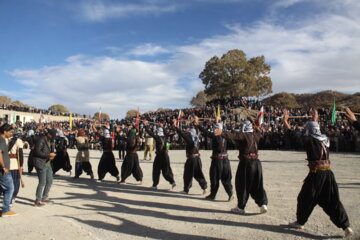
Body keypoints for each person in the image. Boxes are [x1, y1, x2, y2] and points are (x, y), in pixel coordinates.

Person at [283, 109, 353, 237]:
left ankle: (300, 222)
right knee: (333, 201)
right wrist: (314, 119)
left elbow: (293, 134)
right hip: (328, 175)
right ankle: (346, 226)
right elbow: (315, 130)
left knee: (304, 198)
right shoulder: (325, 139)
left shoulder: (309, 140)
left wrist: (285, 121)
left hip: (316, 175)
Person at [222, 119, 268, 214]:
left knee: (242, 184)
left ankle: (241, 207)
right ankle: (263, 204)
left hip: (246, 163)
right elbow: (259, 131)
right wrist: (256, 127)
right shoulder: (256, 135)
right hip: (257, 163)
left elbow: (233, 135)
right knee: (257, 184)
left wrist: (221, 133)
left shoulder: (244, 135)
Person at [194, 117, 233, 201]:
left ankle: (213, 195)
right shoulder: (226, 135)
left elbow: (205, 132)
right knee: (226, 178)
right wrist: (218, 121)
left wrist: (197, 124)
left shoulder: (215, 136)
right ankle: (230, 193)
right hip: (226, 160)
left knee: (214, 178)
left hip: (217, 160)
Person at [172, 119, 207, 195]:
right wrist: (196, 122)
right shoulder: (197, 138)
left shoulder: (190, 140)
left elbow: (181, 133)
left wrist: (175, 126)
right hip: (198, 159)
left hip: (191, 159)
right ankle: (204, 187)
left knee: (187, 174)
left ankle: (186, 190)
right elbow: (197, 130)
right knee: (198, 174)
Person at [143, 120, 176, 189]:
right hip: (166, 156)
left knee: (156, 170)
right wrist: (162, 127)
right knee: (166, 171)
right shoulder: (166, 137)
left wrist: (145, 125)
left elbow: (149, 132)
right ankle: (172, 181)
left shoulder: (157, 138)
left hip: (159, 156)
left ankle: (155, 185)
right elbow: (169, 133)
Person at [32, 128, 57, 206]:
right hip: (40, 163)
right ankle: (37, 200)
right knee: (42, 182)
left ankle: (44, 197)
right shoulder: (41, 140)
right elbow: (37, 152)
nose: (53, 138)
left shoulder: (50, 141)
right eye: (52, 136)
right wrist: (48, 155)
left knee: (49, 181)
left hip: (47, 163)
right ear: (49, 134)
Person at [0, 124, 17, 216]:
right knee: (10, 188)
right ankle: (6, 210)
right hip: (3, 170)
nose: (11, 133)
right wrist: (3, 166)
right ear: (4, 131)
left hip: (3, 169)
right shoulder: (1, 140)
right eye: (10, 132)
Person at [7, 131, 24, 204]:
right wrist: (21, 165)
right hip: (14, 164)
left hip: (7, 162)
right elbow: (20, 154)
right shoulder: (19, 141)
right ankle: (12, 197)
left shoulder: (8, 139)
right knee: (15, 182)